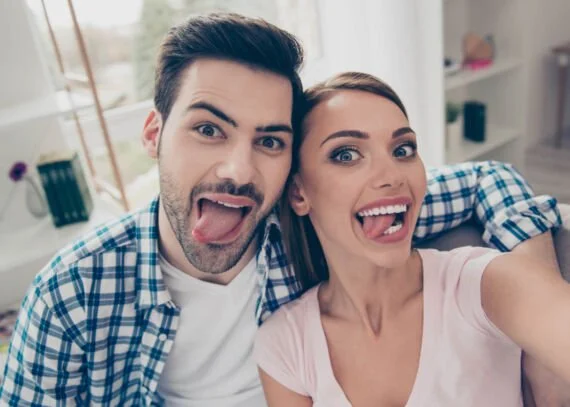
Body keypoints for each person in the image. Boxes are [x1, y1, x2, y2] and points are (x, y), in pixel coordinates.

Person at [0, 13, 562, 407]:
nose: (239, 171)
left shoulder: (316, 221)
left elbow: (489, 180)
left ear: (295, 177)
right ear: (154, 133)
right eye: (207, 129)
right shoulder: (72, 295)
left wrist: (538, 357)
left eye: (269, 141)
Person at [254, 72, 570, 407]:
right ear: (299, 193)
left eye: (403, 149)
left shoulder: (485, 282)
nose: (392, 175)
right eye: (346, 154)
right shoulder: (285, 344)